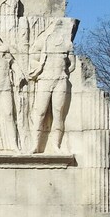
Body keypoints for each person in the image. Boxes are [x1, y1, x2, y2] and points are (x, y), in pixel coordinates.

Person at [26, 19, 74, 153]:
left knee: (58, 113)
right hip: (45, 79)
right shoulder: (43, 41)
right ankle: (35, 145)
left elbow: (73, 64)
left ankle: (55, 146)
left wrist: (62, 72)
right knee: (39, 112)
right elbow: (33, 57)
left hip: (60, 79)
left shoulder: (67, 44)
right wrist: (39, 69)